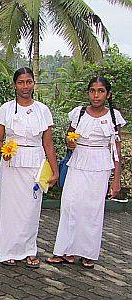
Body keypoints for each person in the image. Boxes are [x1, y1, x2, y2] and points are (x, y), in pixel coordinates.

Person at [46, 76, 126, 268]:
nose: (96, 95)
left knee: (92, 209)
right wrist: (70, 143)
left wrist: (116, 180)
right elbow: (69, 138)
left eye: (100, 91)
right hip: (77, 162)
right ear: (88, 92)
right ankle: (65, 252)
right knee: (70, 205)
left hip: (100, 164)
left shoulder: (113, 116)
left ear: (108, 94)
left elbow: (116, 150)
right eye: (92, 90)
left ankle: (88, 253)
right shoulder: (79, 113)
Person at [0, 67, 59, 268]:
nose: (25, 86)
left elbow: (48, 144)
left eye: (29, 82)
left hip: (35, 162)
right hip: (12, 162)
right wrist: (5, 150)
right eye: (21, 82)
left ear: (33, 83)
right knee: (10, 207)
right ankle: (8, 249)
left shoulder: (43, 110)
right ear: (15, 85)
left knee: (31, 208)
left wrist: (55, 170)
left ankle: (29, 250)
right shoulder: (6, 109)